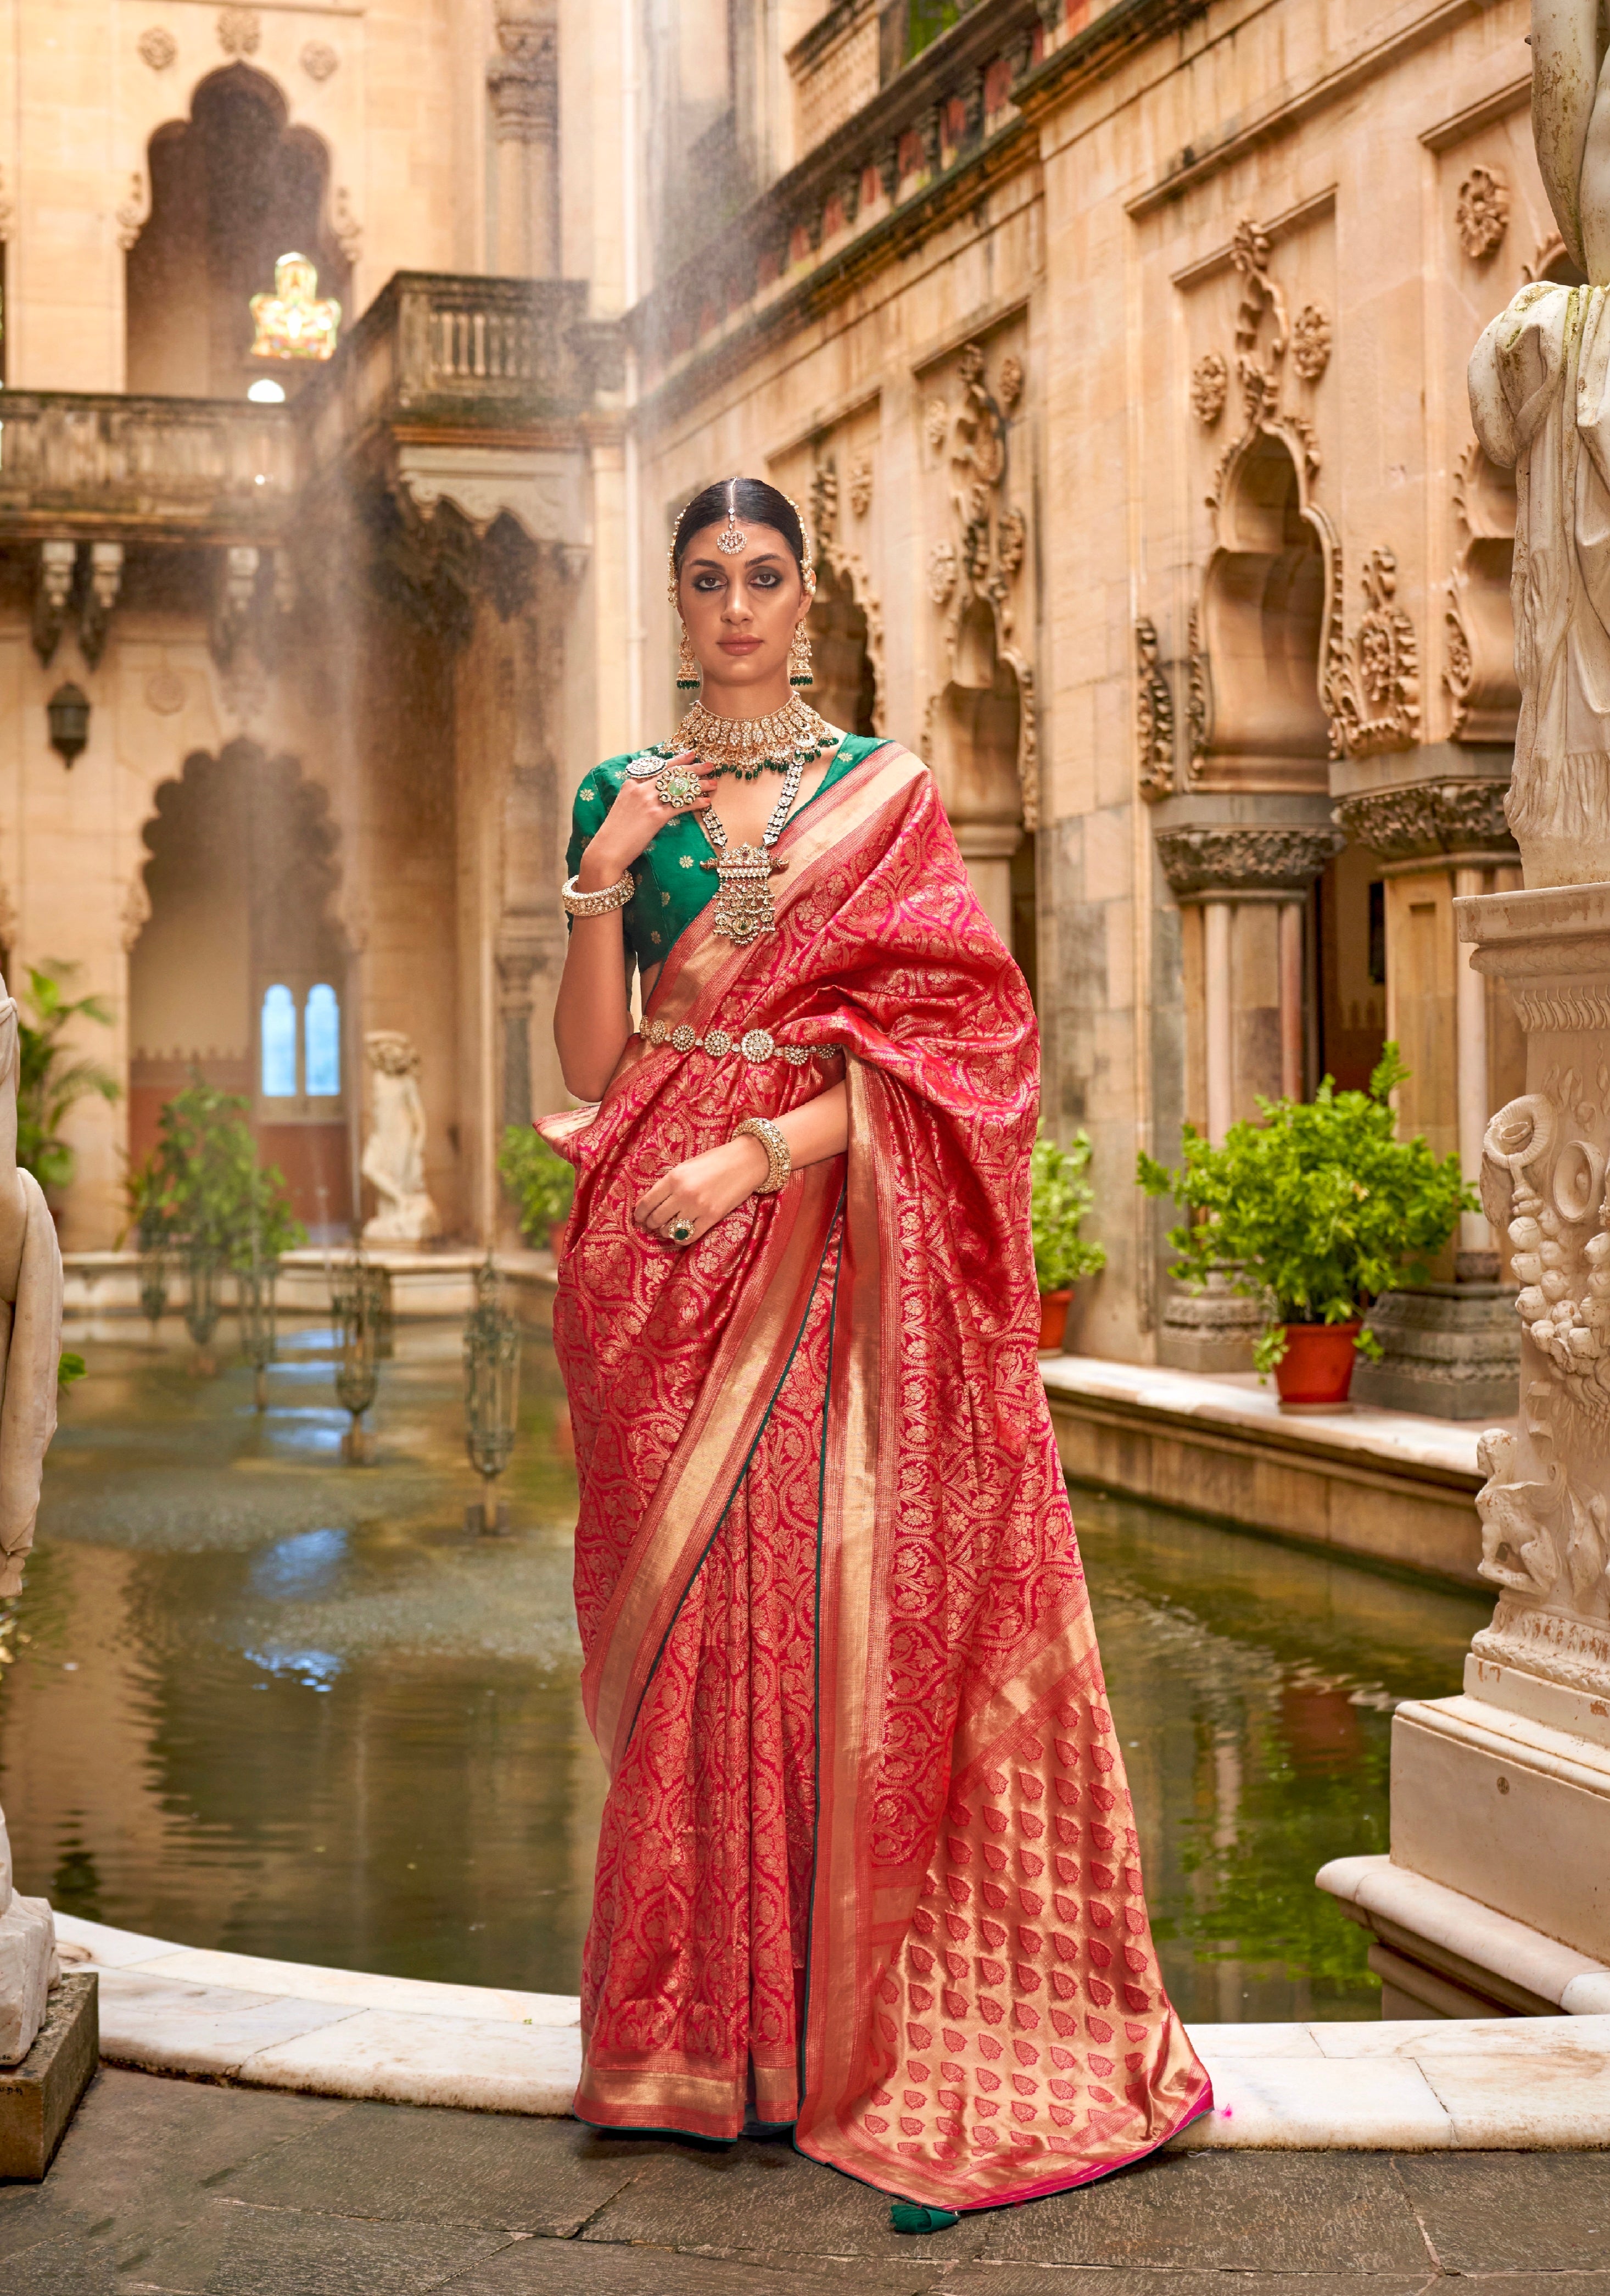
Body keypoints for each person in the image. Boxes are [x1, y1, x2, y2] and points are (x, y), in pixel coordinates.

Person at [541, 477, 1209, 2224]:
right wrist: (598, 885)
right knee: (684, 1633)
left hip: (814, 1231)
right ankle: (691, 2037)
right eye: (708, 579)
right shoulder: (620, 794)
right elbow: (594, 1066)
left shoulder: (884, 793)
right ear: (676, 602)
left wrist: (756, 1154)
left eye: (764, 576)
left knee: (807, 1615)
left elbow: (964, 1063)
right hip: (647, 1253)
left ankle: (822, 2033)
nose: (736, 606)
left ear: (805, 596)